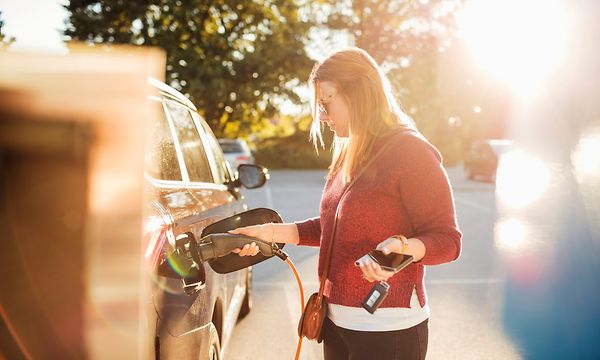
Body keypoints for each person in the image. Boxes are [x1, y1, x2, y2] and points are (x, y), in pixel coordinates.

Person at [230, 47, 462, 360]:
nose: (322, 116)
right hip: (336, 323)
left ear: (359, 94)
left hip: (389, 330)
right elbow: (332, 227)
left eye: (326, 103)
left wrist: (404, 246)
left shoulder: (412, 152)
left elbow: (448, 242)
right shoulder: (349, 152)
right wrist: (269, 233)